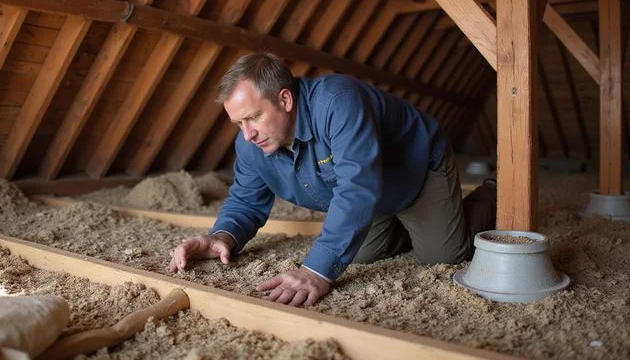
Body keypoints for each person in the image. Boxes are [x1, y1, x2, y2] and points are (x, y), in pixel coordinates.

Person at [168, 52, 496, 307]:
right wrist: (223, 236)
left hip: (415, 171)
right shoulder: (251, 143)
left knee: (443, 254)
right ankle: (410, 225)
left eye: (254, 117)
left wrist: (316, 270)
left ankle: (492, 192)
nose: (248, 134)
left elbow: (356, 186)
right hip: (373, 191)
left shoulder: (339, 101)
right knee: (362, 253)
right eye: (239, 123)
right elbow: (246, 199)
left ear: (285, 99)